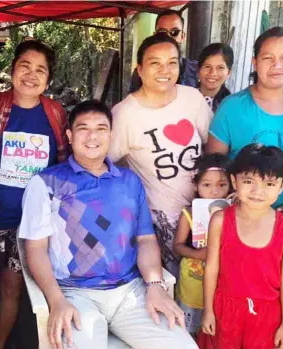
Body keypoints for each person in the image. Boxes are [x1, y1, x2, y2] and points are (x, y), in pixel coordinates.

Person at [20, 100, 197, 349]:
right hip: (74, 293)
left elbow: (146, 240)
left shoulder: (130, 182)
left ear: (111, 136)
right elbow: (36, 249)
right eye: (83, 128)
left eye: (101, 128)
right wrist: (56, 299)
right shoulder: (47, 183)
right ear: (70, 136)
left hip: (130, 293)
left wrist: (155, 285)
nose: (92, 136)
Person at [0, 39, 69, 349]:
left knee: (13, 290)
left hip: (30, 225)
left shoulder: (55, 114)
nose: (31, 74)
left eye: (40, 69)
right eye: (25, 66)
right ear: (12, 70)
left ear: (48, 79)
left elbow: (63, 165)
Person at [109, 33, 213, 277]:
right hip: (160, 224)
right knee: (171, 285)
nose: (165, 70)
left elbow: (211, 149)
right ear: (140, 69)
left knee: (203, 283)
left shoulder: (193, 98)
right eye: (155, 62)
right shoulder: (125, 113)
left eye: (172, 62)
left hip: (203, 215)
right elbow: (106, 164)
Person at [206, 27, 283, 277]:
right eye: (268, 57)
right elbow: (215, 169)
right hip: (246, 223)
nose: (277, 65)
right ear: (254, 61)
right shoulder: (232, 108)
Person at [200, 144, 283, 349]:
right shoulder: (220, 221)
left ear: (282, 187)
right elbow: (211, 269)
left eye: (269, 184)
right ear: (234, 181)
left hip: (267, 316)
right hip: (224, 311)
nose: (257, 191)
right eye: (248, 181)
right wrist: (208, 310)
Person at [172, 153, 231, 335]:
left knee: (215, 328)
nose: (214, 191)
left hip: (223, 283)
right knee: (189, 329)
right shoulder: (188, 213)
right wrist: (198, 254)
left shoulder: (235, 213)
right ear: (196, 185)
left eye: (222, 185)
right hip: (192, 282)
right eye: (207, 185)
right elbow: (177, 246)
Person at [129, 9, 198, 93]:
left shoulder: (197, 70)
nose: (168, 37)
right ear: (154, 35)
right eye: (162, 32)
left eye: (174, 32)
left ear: (182, 36)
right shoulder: (141, 72)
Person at [197, 43, 233, 113]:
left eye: (220, 67)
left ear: (228, 72)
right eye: (207, 66)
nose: (213, 73)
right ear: (198, 70)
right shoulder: (184, 97)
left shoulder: (231, 106)